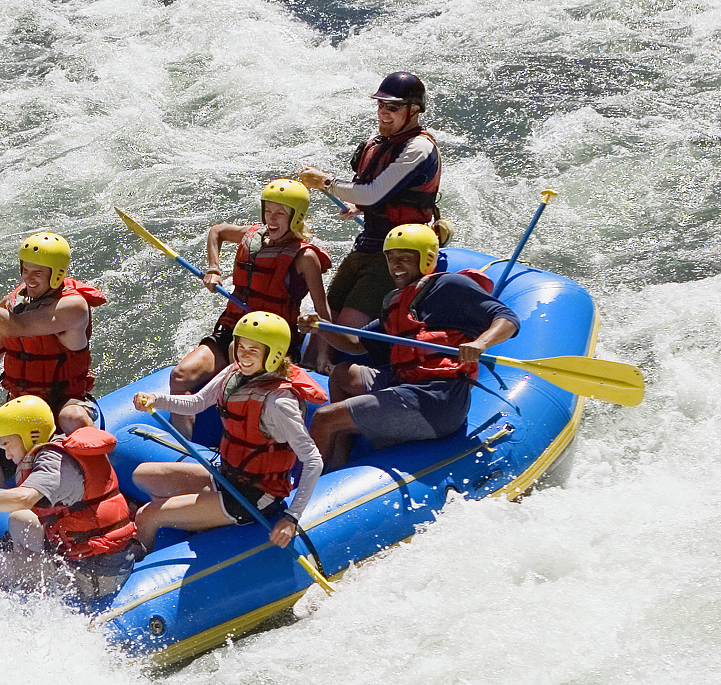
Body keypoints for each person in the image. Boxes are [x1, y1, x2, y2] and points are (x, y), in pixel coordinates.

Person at [301, 225, 519, 469]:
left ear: (425, 259)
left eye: (405, 258)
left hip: (437, 399)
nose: (396, 266)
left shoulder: (451, 286)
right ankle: (337, 462)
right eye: (392, 259)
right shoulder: (396, 301)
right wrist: (321, 328)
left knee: (323, 418)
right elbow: (355, 345)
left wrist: (481, 343)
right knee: (342, 375)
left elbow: (507, 319)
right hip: (406, 384)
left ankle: (307, 489)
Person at [130, 312, 325, 551]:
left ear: (273, 353)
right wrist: (155, 399)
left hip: (256, 497)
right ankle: (194, 519)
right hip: (228, 477)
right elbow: (197, 403)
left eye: (253, 349)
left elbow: (313, 460)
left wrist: (291, 518)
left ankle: (132, 563)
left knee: (146, 516)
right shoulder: (235, 373)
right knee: (143, 475)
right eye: (241, 346)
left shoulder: (279, 402)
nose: (243, 354)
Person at [0, 388, 143, 601]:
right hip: (90, 554)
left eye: (8, 444)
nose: (6, 453)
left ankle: (27, 591)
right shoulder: (54, 443)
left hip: (94, 572)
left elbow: (23, 498)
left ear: (29, 436)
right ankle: (28, 575)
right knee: (19, 519)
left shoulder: (53, 463)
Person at [0, 232, 105, 484]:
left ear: (57, 273)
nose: (29, 278)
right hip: (23, 405)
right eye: (25, 270)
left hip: (65, 400)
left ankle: (100, 486)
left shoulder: (73, 307)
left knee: (73, 418)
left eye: (38, 272)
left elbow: (15, 327)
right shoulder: (16, 301)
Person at [298, 71, 444, 333]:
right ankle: (315, 364)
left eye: (393, 107)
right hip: (369, 242)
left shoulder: (419, 148)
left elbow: (373, 192)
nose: (383, 112)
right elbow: (374, 194)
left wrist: (325, 182)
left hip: (400, 250)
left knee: (345, 326)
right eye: (380, 105)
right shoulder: (377, 144)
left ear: (413, 110)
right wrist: (361, 207)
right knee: (324, 316)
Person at [171, 178, 333, 401]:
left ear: (297, 216)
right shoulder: (253, 235)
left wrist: (323, 357)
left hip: (273, 343)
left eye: (281, 213)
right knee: (179, 376)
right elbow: (216, 231)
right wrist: (213, 269)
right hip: (234, 330)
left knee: (248, 394)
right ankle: (183, 437)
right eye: (268, 211)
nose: (271, 219)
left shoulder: (305, 257)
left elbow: (322, 313)